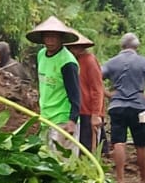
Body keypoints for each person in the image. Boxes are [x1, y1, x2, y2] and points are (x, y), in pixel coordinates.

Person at [101, 33, 145, 183]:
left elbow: (95, 78)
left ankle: (120, 180)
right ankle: (144, 180)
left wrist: (108, 94)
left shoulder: (111, 62)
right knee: (141, 144)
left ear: (121, 46)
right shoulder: (143, 62)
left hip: (117, 106)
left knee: (118, 142)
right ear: (137, 46)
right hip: (139, 107)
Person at [26, 16, 81, 148]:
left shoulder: (67, 62)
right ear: (42, 38)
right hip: (45, 118)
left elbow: (75, 94)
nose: (50, 41)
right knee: (47, 160)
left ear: (61, 38)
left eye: (54, 37)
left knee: (63, 161)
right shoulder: (41, 55)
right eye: (47, 36)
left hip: (62, 119)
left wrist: (72, 120)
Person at [68, 33, 105, 155]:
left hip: (88, 112)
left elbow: (97, 88)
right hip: (77, 111)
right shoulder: (71, 61)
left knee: (88, 151)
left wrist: (96, 114)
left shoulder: (89, 60)